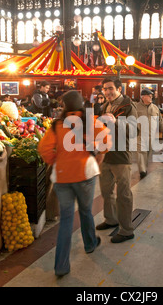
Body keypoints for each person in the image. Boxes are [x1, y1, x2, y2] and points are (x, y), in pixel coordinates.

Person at [37, 90, 111, 277]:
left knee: (66, 220)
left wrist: (55, 161)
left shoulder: (57, 125)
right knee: (86, 211)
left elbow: (43, 148)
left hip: (62, 178)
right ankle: (90, 244)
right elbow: (106, 142)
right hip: (85, 174)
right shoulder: (90, 122)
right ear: (81, 104)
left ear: (64, 106)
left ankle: (61, 266)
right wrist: (99, 157)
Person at [95, 78, 138, 243]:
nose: (107, 92)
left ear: (119, 88)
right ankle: (111, 219)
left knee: (123, 194)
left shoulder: (128, 106)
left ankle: (127, 230)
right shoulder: (106, 105)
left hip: (121, 155)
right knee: (106, 191)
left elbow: (134, 130)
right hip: (106, 153)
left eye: (111, 89)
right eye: (105, 89)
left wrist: (117, 121)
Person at [135, 89, 163, 179]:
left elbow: (160, 121)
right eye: (149, 95)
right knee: (141, 152)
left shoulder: (155, 108)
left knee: (148, 152)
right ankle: (142, 171)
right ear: (143, 97)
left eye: (151, 95)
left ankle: (144, 168)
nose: (151, 97)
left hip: (151, 135)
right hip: (140, 134)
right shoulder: (136, 107)